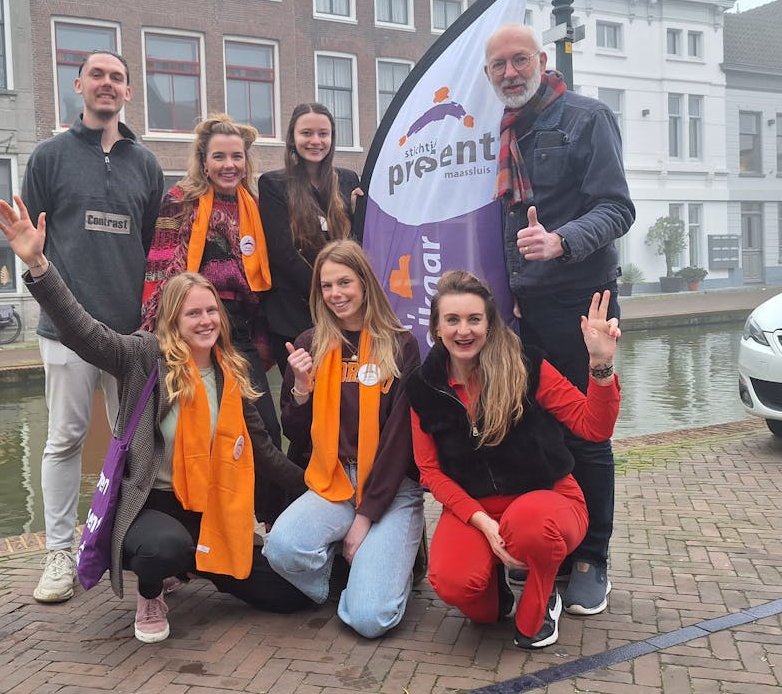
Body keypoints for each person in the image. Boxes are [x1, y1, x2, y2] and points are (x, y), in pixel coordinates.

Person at [0, 196, 311, 644]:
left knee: (288, 594)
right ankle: (152, 589)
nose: (205, 321)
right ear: (172, 319)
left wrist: (320, 491)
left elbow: (264, 452)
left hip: (210, 512)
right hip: (150, 509)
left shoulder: (229, 372)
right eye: (193, 313)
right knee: (164, 548)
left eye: (210, 311)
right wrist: (39, 265)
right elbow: (83, 331)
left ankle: (191, 564)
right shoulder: (145, 357)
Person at [484, 23, 635, 615]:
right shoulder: (499, 131)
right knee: (537, 429)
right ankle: (558, 545)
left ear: (542, 60)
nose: (510, 73)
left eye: (520, 60)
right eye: (499, 66)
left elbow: (617, 207)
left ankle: (593, 557)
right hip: (521, 309)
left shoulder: (586, 118)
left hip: (579, 304)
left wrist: (561, 241)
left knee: (587, 434)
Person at [406, 271, 621, 649]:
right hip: (475, 509)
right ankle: (495, 588)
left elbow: (594, 428)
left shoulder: (527, 365)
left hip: (547, 499)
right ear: (436, 328)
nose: (463, 330)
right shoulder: (423, 386)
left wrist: (600, 366)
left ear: (489, 324)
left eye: (474, 319)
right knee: (458, 588)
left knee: (530, 526)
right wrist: (482, 523)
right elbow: (430, 471)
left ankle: (544, 595)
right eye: (452, 320)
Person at [21, 50, 165, 604]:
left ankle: (124, 543)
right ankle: (59, 551)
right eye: (97, 75)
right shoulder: (49, 157)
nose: (107, 83)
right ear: (78, 85)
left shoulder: (146, 165)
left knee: (136, 442)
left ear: (128, 92)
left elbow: (150, 247)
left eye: (117, 77)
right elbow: (30, 241)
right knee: (64, 439)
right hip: (65, 329)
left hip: (128, 337)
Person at [262, 239, 424, 639]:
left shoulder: (400, 345)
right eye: (326, 286)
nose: (335, 294)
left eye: (344, 282)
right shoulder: (309, 344)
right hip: (332, 481)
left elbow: (400, 443)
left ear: (365, 283)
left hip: (389, 486)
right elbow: (295, 433)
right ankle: (343, 576)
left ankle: (392, 566)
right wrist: (302, 389)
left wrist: (365, 517)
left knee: (371, 619)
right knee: (280, 548)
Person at [141, 114, 282, 523]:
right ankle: (190, 524)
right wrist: (161, 335)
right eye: (219, 157)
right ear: (203, 162)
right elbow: (160, 271)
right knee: (196, 431)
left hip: (237, 326)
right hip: (191, 328)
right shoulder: (179, 200)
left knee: (265, 428)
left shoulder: (252, 207)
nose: (229, 165)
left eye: (237, 157)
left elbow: (262, 282)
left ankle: (268, 521)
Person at [258, 103, 361, 376]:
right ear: (293, 137)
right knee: (302, 392)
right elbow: (282, 253)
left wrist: (356, 213)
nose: (316, 141)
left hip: (341, 311)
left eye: (323, 134)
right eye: (307, 133)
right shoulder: (273, 184)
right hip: (294, 313)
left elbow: (355, 245)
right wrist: (324, 291)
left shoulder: (348, 180)